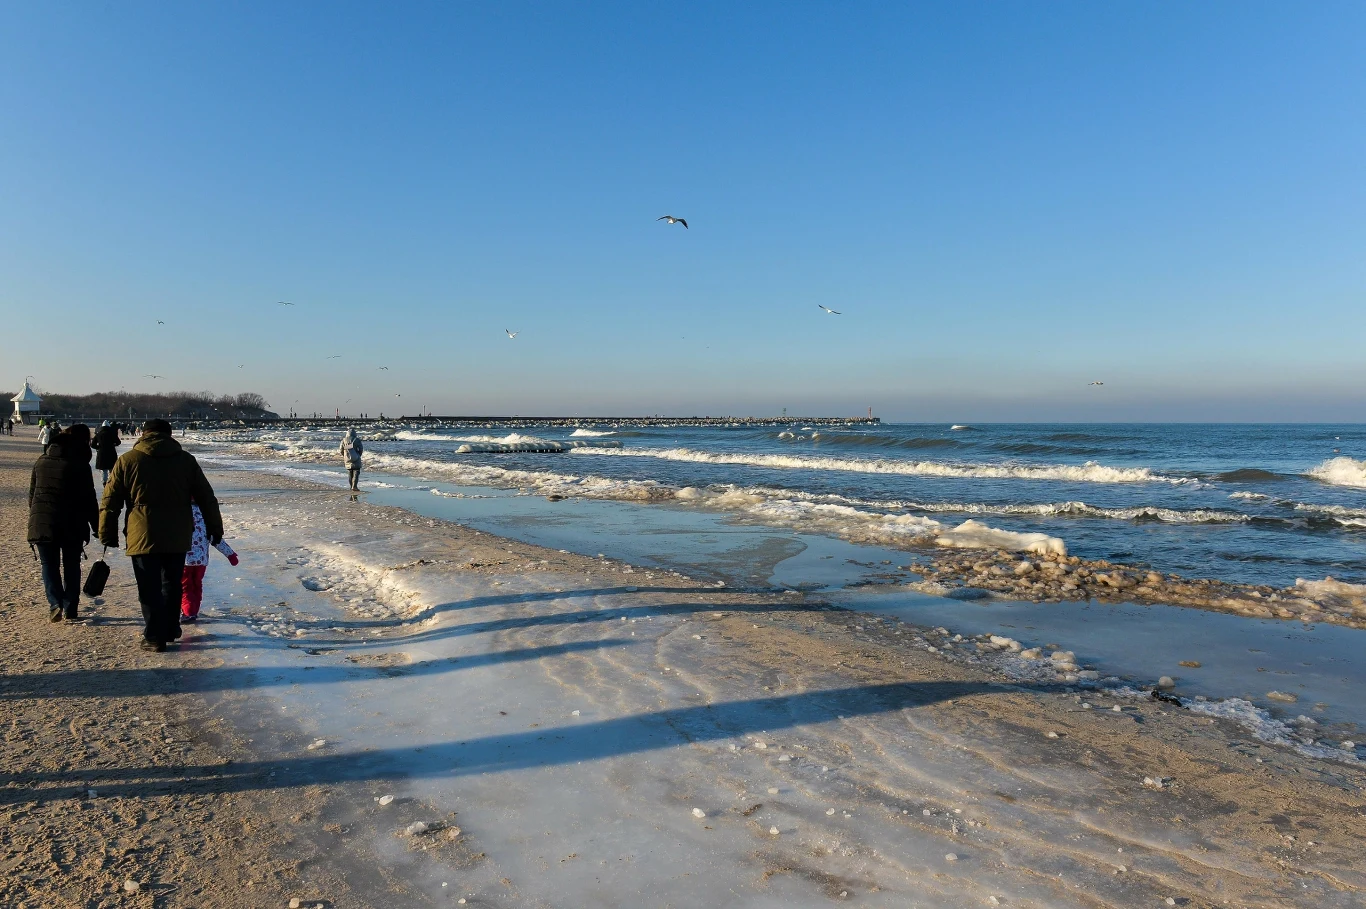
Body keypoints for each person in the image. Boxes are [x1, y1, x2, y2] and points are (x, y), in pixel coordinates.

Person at [100, 419, 223, 652]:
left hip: (141, 532)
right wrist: (215, 528)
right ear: (170, 435)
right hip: (178, 532)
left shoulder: (128, 460)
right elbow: (207, 498)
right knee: (172, 583)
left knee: (148, 586)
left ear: (144, 434)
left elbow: (110, 502)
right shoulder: (186, 461)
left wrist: (107, 533)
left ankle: (155, 636)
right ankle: (170, 627)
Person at [28, 425, 99, 622]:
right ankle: (70, 607)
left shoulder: (41, 461)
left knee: (49, 565)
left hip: (42, 520)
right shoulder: (79, 465)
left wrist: (36, 517)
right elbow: (89, 499)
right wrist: (97, 526)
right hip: (72, 522)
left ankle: (55, 603)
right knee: (71, 565)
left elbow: (32, 495)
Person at [180, 498, 238, 623]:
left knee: (186, 587)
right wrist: (231, 555)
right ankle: (194, 610)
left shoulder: (180, 515)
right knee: (197, 585)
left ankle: (188, 612)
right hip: (201, 561)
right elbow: (216, 540)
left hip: (185, 561)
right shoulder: (206, 518)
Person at [91, 420, 121, 485]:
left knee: (104, 470)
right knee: (112, 469)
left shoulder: (98, 434)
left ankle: (104, 483)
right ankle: (112, 483)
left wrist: (98, 447)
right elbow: (118, 442)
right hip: (111, 453)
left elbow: (92, 444)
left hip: (101, 453)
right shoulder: (112, 433)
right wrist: (114, 445)